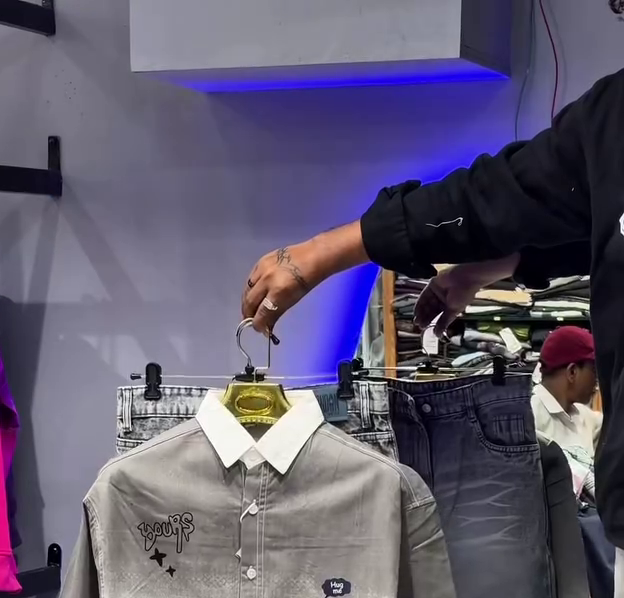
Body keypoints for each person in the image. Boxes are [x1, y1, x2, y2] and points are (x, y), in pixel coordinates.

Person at [241, 44, 624, 549]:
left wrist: (326, 251)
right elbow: (525, 200)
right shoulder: (613, 121)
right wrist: (498, 265)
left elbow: (504, 197)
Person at [533, 325, 601, 461]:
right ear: (572, 372)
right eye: (594, 371)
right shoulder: (531, 416)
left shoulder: (584, 416)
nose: (597, 382)